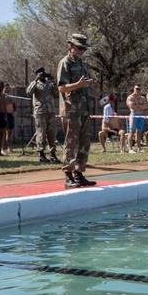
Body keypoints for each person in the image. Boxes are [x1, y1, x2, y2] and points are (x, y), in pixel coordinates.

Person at [56, 34, 98, 189]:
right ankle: (68, 176)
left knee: (84, 143)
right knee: (71, 143)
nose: (82, 51)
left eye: (84, 49)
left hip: (84, 110)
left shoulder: (83, 64)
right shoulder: (65, 63)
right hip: (71, 110)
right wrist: (78, 85)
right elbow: (61, 88)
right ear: (71, 47)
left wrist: (100, 95)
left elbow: (87, 86)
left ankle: (79, 174)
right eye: (80, 48)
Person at [26, 67, 59, 163]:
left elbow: (57, 93)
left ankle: (52, 154)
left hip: (51, 111)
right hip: (40, 112)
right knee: (41, 133)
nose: (43, 76)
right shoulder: (35, 84)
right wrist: (35, 80)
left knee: (52, 133)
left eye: (43, 74)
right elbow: (28, 92)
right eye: (41, 74)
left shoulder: (49, 84)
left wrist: (54, 82)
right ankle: (41, 153)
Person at [125, 84, 147, 154]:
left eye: (139, 89)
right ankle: (130, 149)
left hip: (141, 115)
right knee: (132, 132)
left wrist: (137, 106)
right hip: (134, 115)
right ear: (134, 89)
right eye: (136, 89)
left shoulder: (142, 98)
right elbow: (132, 107)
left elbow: (146, 106)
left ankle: (139, 148)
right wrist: (141, 106)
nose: (138, 90)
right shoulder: (130, 97)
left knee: (139, 132)